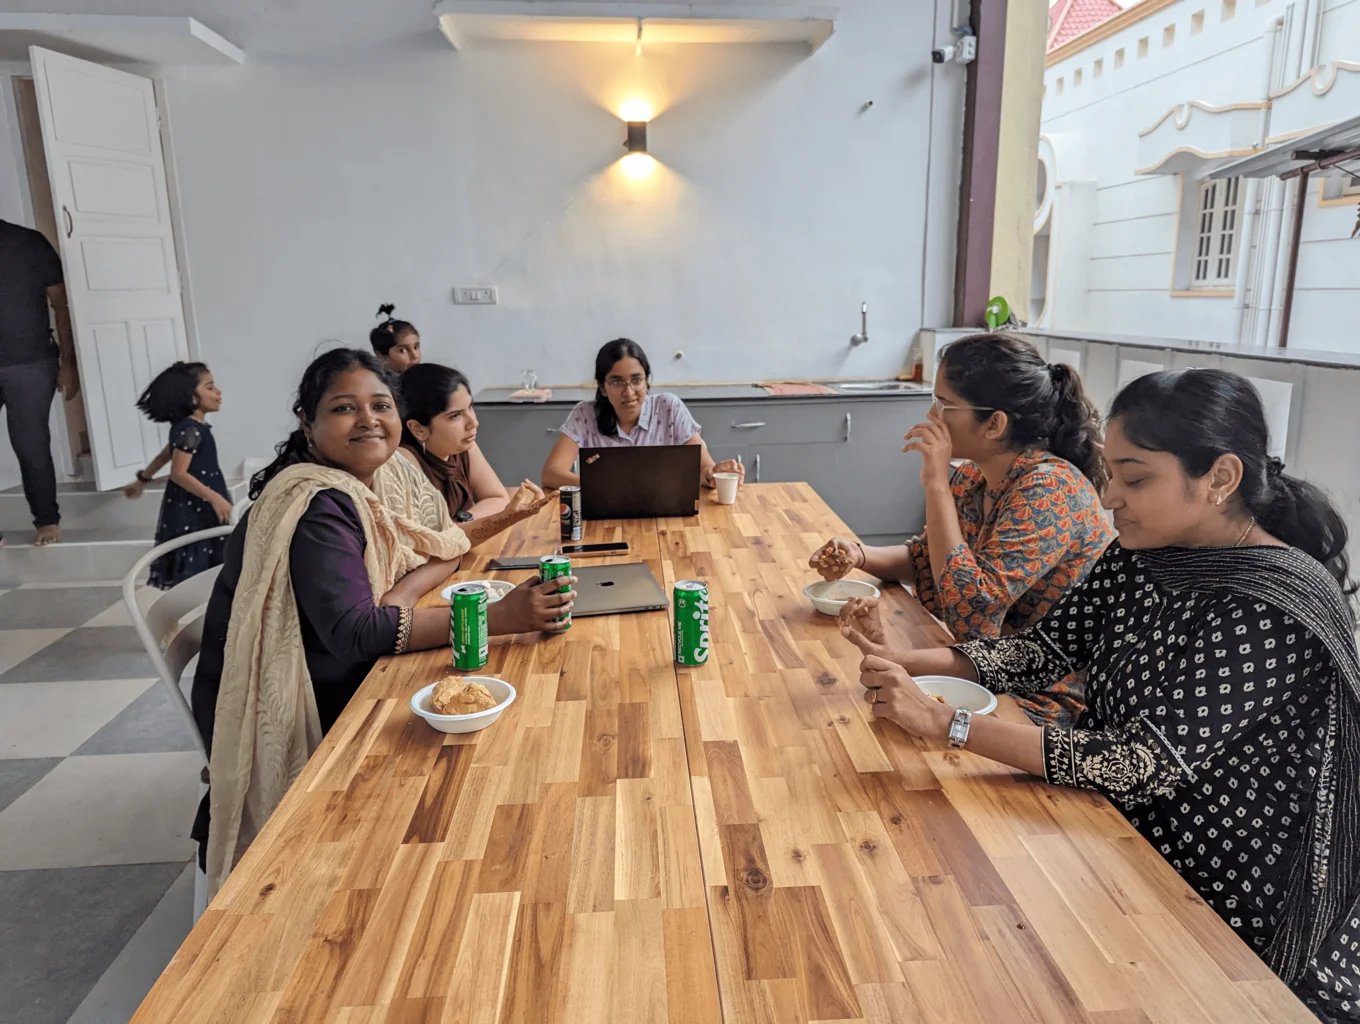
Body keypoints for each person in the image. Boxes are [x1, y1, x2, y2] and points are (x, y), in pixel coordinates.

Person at [842, 368, 1360, 1019]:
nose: (1109, 497)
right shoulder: (1144, 552)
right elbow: (1042, 652)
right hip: (1119, 833)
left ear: (1221, 479)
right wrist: (905, 660)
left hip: (1231, 892)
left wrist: (948, 724)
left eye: (1136, 478)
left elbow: (1139, 764)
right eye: (1111, 473)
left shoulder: (1269, 606)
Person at [191, 348, 574, 895]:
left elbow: (440, 550)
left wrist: (401, 592)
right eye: (345, 408)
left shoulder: (377, 481)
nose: (369, 419)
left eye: (380, 404)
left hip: (335, 663)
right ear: (308, 420)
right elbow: (354, 633)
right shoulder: (318, 504)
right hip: (305, 694)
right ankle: (404, 886)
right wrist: (491, 617)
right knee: (489, 745)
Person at [809, 333, 1113, 723]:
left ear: (994, 424)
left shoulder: (1050, 490)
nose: (932, 416)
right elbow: (929, 558)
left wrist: (935, 484)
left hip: (1044, 697)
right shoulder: (975, 476)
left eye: (944, 404)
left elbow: (971, 612)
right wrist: (859, 553)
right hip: (986, 670)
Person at [540, 338, 744, 490]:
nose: (628, 393)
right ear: (603, 387)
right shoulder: (584, 414)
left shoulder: (669, 408)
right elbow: (551, 473)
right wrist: (602, 486)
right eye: (617, 382)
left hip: (664, 511)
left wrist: (715, 473)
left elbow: (704, 470)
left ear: (647, 381)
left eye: (636, 380)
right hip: (604, 516)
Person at [377, 362, 549, 534]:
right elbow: (433, 539)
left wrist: (464, 520)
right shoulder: (404, 460)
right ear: (418, 429)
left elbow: (497, 498)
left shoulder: (463, 446)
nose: (473, 423)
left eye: (470, 407)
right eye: (455, 415)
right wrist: (476, 521)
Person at [0, 218, 78, 547]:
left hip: (30, 363)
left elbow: (61, 304)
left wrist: (69, 363)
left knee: (30, 446)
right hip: (27, 365)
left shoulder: (28, 242)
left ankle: (46, 519)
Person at [128, 362, 233, 589]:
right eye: (210, 387)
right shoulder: (191, 430)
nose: (218, 392)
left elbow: (166, 455)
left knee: (206, 554)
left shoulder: (187, 427)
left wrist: (143, 479)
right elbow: (178, 473)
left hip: (196, 501)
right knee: (199, 556)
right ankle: (194, 607)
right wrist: (215, 498)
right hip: (195, 506)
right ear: (192, 397)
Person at [369, 303, 422, 373]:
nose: (414, 356)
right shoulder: (375, 383)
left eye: (416, 347)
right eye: (403, 350)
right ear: (381, 356)